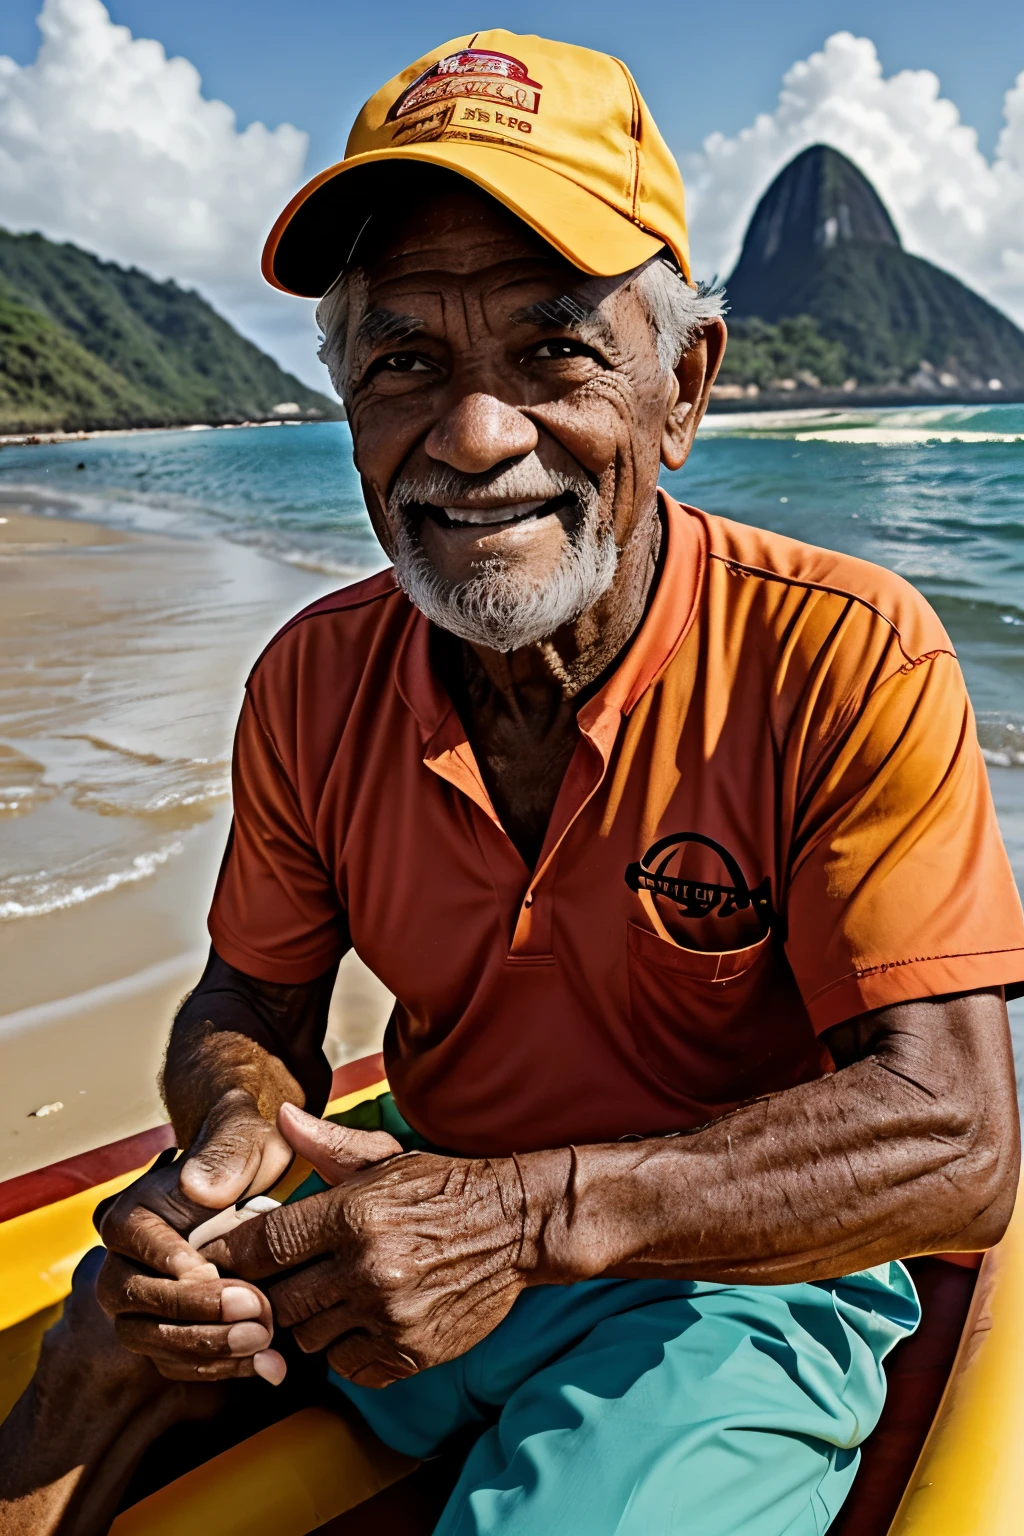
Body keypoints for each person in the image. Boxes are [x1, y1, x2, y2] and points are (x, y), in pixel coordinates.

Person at [2, 28, 1022, 1536]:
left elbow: (958, 1139)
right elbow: (250, 1009)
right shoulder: (311, 678)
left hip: (724, 1279)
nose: (474, 437)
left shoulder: (845, 654)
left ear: (681, 389)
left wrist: (526, 1217)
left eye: (553, 350)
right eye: (405, 359)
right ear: (349, 402)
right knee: (113, 1328)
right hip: (422, 1194)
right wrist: (228, 1146)